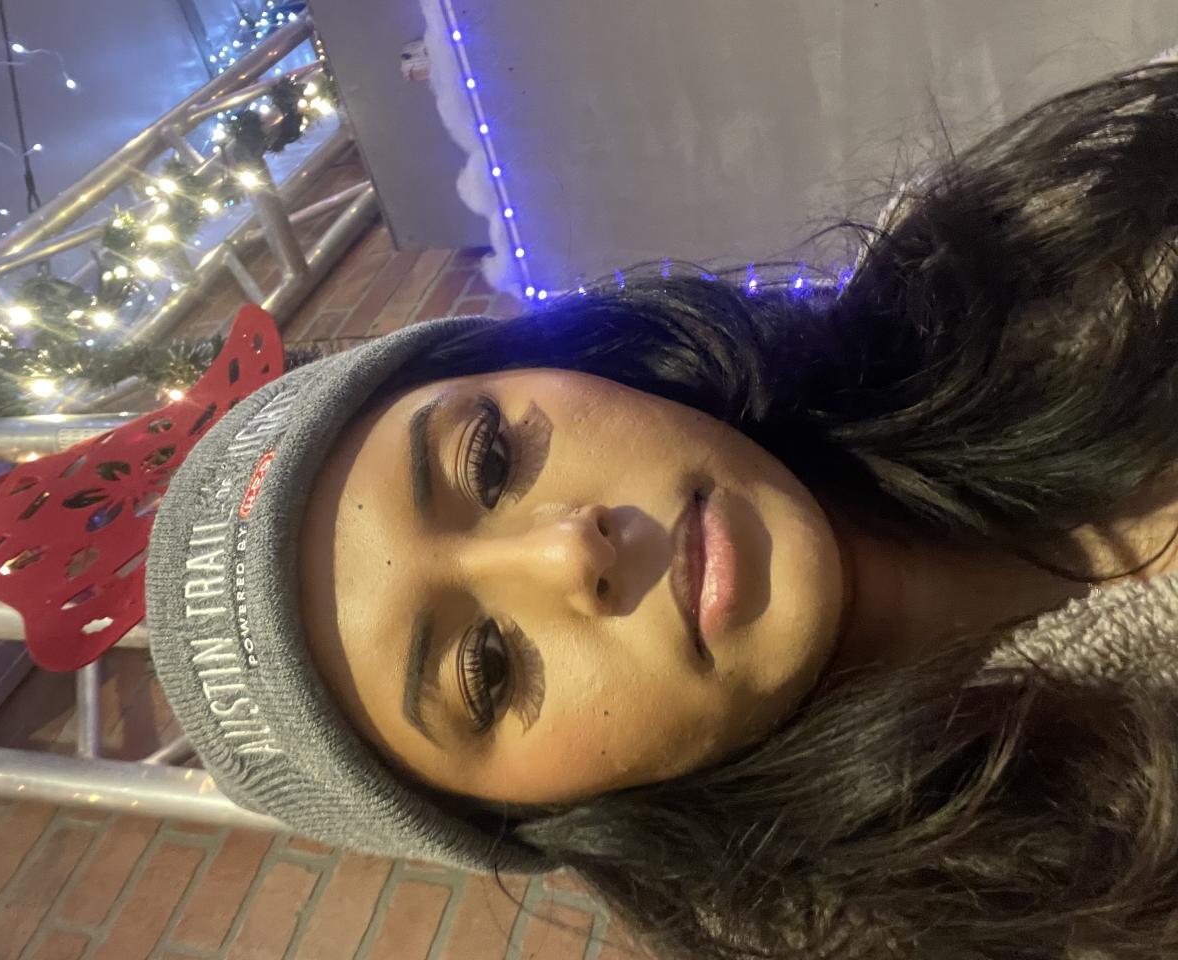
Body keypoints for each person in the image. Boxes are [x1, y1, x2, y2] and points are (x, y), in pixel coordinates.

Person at [146, 56, 1178, 959]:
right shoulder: (1042, 917)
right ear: (547, 814)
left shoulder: (1025, 257)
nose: (566, 554)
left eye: (489, 460)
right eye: (485, 668)